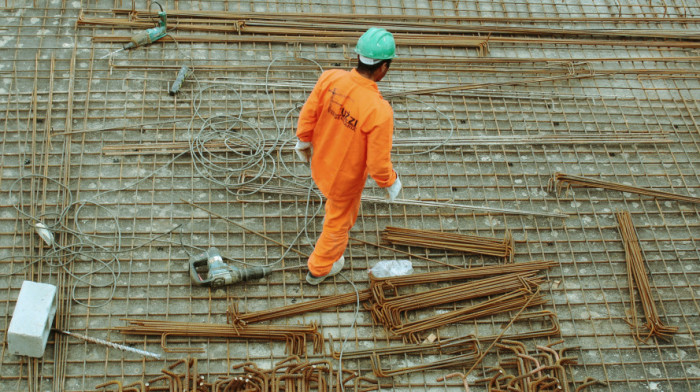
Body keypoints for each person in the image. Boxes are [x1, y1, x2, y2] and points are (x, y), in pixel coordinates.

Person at [294, 27, 402, 285]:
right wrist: (391, 181)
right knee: (338, 224)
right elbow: (377, 164)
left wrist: (303, 141)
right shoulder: (379, 111)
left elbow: (308, 113)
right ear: (383, 68)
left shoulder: (330, 78)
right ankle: (319, 269)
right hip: (344, 181)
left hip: (320, 162)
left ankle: (324, 261)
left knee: (333, 209)